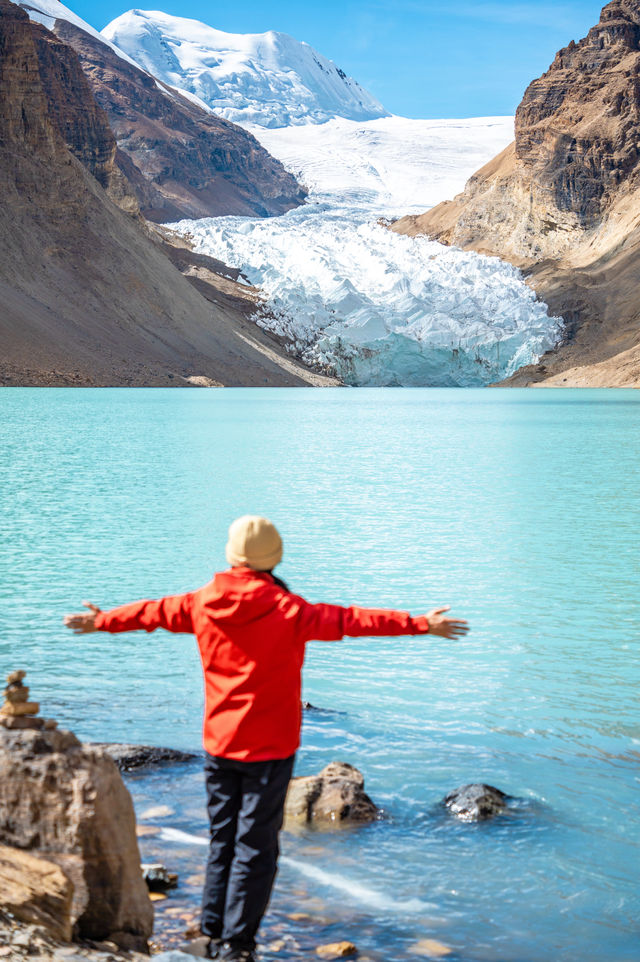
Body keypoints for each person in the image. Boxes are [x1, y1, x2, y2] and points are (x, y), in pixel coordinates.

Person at [64, 515, 469, 962]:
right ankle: (237, 947)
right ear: (273, 559)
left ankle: (209, 934)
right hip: (271, 750)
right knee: (257, 848)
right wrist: (418, 624)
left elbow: (151, 613)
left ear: (232, 556)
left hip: (220, 745)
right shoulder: (290, 611)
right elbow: (354, 620)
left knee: (223, 839)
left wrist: (102, 621)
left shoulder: (202, 603)